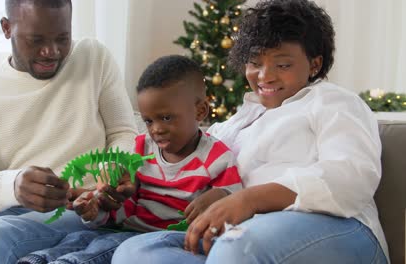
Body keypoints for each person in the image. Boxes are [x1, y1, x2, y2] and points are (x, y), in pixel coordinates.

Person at [112, 0, 390, 263]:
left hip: (339, 226)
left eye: (282, 65)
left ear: (314, 65)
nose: (264, 76)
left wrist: (249, 199)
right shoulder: (235, 124)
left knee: (238, 247)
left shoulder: (333, 102)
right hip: (241, 235)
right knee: (135, 251)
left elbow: (351, 176)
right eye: (255, 62)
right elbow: (189, 160)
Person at [0, 0, 138, 262]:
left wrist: (112, 169)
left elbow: (123, 132)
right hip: (2, 207)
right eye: (36, 40)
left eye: (62, 38)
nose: (51, 52)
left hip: (75, 212)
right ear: (7, 28)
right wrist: (14, 185)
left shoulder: (93, 57)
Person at [16, 55, 243, 263]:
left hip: (164, 239)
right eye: (148, 121)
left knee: (103, 248)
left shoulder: (218, 158)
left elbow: (237, 208)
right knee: (83, 238)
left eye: (166, 117)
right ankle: (40, 259)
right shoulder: (139, 148)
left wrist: (221, 196)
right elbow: (121, 204)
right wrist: (95, 208)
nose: (157, 130)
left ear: (200, 111)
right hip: (122, 228)